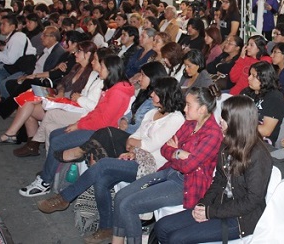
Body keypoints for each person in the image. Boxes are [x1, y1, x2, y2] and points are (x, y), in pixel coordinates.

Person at [35, 77, 186, 243]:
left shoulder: (176, 119)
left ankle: (65, 197)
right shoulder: (152, 113)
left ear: (166, 94)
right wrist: (134, 146)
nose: (151, 95)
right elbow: (136, 136)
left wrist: (135, 146)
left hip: (152, 166)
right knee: (102, 179)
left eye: (156, 92)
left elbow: (151, 144)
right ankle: (107, 227)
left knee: (104, 164)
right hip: (135, 157)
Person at [110, 87, 223, 244]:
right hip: (170, 172)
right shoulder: (191, 123)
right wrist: (179, 152)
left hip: (187, 184)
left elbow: (188, 166)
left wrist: (176, 151)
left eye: (188, 105)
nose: (184, 109)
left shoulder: (213, 134)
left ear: (203, 109)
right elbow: (165, 149)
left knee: (129, 205)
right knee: (121, 196)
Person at [154, 95, 273, 244]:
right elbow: (219, 180)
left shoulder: (258, 155)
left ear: (236, 122)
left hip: (240, 219)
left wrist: (210, 212)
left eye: (224, 118)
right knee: (162, 227)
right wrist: (203, 204)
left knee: (176, 238)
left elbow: (252, 200)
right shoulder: (227, 143)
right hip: (218, 206)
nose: (220, 121)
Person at [18, 54, 134, 198]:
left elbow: (103, 121)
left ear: (111, 70)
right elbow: (97, 112)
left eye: (102, 67)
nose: (99, 69)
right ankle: (50, 174)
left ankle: (44, 182)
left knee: (57, 141)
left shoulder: (118, 92)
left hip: (100, 133)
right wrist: (78, 123)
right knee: (55, 134)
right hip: (94, 126)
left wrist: (79, 126)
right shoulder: (113, 87)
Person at [242, 61, 284, 145]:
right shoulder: (246, 92)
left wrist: (238, 128)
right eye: (250, 74)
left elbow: (266, 131)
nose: (249, 78)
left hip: (263, 142)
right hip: (244, 136)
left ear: (264, 78)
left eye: (254, 76)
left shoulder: (275, 98)